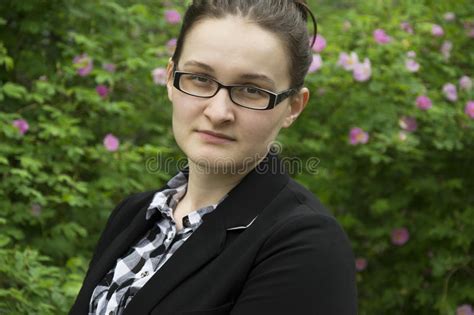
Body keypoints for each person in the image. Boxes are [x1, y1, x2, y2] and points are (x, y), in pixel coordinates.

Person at [70, 0, 357, 314]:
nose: (218, 112)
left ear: (293, 107)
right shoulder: (134, 215)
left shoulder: (305, 245)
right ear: (170, 77)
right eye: (201, 79)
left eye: (251, 90)